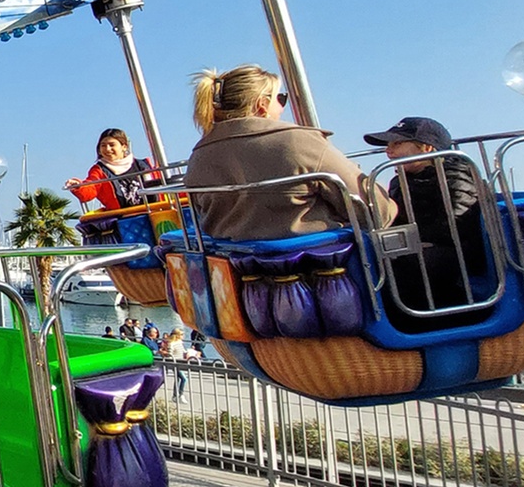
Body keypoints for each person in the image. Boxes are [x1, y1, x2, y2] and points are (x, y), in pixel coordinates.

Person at [183, 64, 396, 240]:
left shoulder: (198, 158)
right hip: (320, 270)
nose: (282, 106)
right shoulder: (297, 142)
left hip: (235, 275)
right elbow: (376, 210)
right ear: (262, 104)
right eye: (280, 98)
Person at [363, 116, 489, 313]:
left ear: (426, 148)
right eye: (388, 145)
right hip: (424, 247)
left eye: (397, 144)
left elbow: (457, 225)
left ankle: (427, 321)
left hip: (460, 252)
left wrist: (415, 240)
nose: (389, 151)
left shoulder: (456, 175)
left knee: (409, 267)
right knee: (371, 262)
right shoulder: (399, 182)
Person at [65, 128, 160, 211]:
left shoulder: (144, 165)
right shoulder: (99, 170)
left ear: (124, 147)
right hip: (123, 220)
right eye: (103, 145)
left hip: (154, 212)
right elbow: (91, 188)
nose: (107, 149)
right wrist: (78, 186)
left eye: (112, 145)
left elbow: (162, 185)